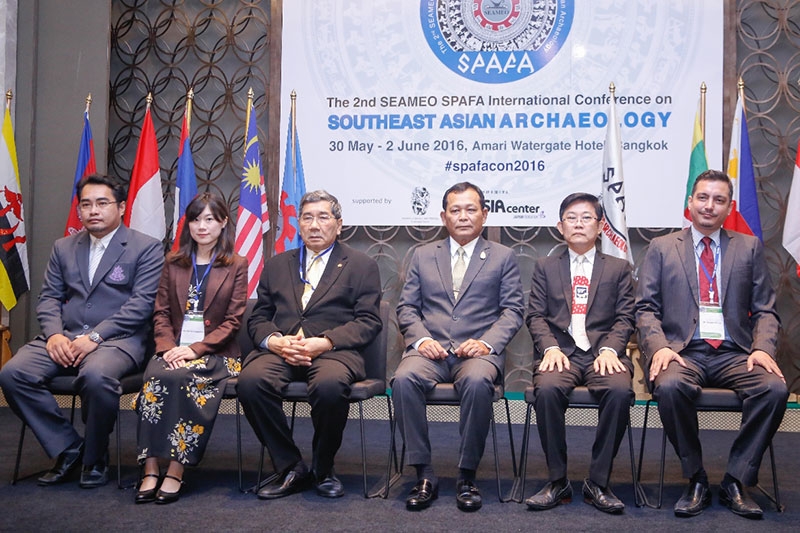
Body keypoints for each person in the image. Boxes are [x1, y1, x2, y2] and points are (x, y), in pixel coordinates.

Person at [636, 169, 788, 519]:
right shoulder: (662, 248)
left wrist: (762, 349)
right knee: (669, 387)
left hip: (735, 353)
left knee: (774, 389)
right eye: (703, 197)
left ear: (729, 207)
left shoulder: (748, 247)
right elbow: (645, 308)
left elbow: (765, 309)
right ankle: (696, 478)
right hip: (682, 352)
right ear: (690, 202)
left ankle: (736, 479)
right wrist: (659, 347)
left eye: (719, 200)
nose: (709, 206)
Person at [0, 173, 163, 488]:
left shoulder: (146, 247)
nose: (93, 211)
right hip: (65, 336)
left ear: (121, 207)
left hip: (117, 342)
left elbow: (141, 305)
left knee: (96, 377)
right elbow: (49, 298)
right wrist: (54, 334)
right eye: (86, 204)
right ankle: (69, 447)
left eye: (102, 203)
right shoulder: (64, 247)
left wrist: (95, 337)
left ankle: (95, 455)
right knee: (13, 373)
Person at [238, 190, 381, 500]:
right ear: (299, 225)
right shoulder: (277, 264)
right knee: (250, 382)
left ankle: (323, 468)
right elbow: (258, 316)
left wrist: (326, 341)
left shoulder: (361, 265)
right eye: (307, 218)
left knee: (330, 386)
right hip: (283, 349)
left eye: (323, 217)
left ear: (339, 225)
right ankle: (290, 466)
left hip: (333, 352)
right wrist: (275, 341)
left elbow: (369, 321)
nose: (314, 225)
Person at [391, 181, 524, 512]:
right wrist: (422, 339)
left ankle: (466, 475)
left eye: (471, 209)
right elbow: (407, 307)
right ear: (443, 217)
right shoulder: (423, 255)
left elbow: (513, 310)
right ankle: (424, 474)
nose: (463, 216)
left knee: (478, 382)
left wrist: (486, 342)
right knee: (403, 380)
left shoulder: (503, 256)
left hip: (477, 352)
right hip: (430, 351)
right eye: (455, 210)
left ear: (484, 215)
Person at [133, 192, 248, 504]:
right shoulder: (173, 262)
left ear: (223, 222)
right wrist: (168, 347)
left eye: (209, 219)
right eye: (196, 220)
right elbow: (161, 313)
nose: (202, 226)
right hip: (172, 349)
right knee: (155, 377)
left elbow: (233, 321)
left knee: (182, 378)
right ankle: (150, 466)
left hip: (217, 354)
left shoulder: (236, 264)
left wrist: (195, 349)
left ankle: (176, 468)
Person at [524, 192, 635, 514]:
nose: (578, 224)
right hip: (561, 352)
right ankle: (557, 480)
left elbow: (626, 317)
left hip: (603, 354)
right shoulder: (546, 266)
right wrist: (550, 347)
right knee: (547, 389)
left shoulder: (618, 268)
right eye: (571, 218)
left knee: (619, 391)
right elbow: (535, 316)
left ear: (600, 226)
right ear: (560, 227)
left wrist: (611, 349)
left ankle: (598, 482)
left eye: (586, 218)